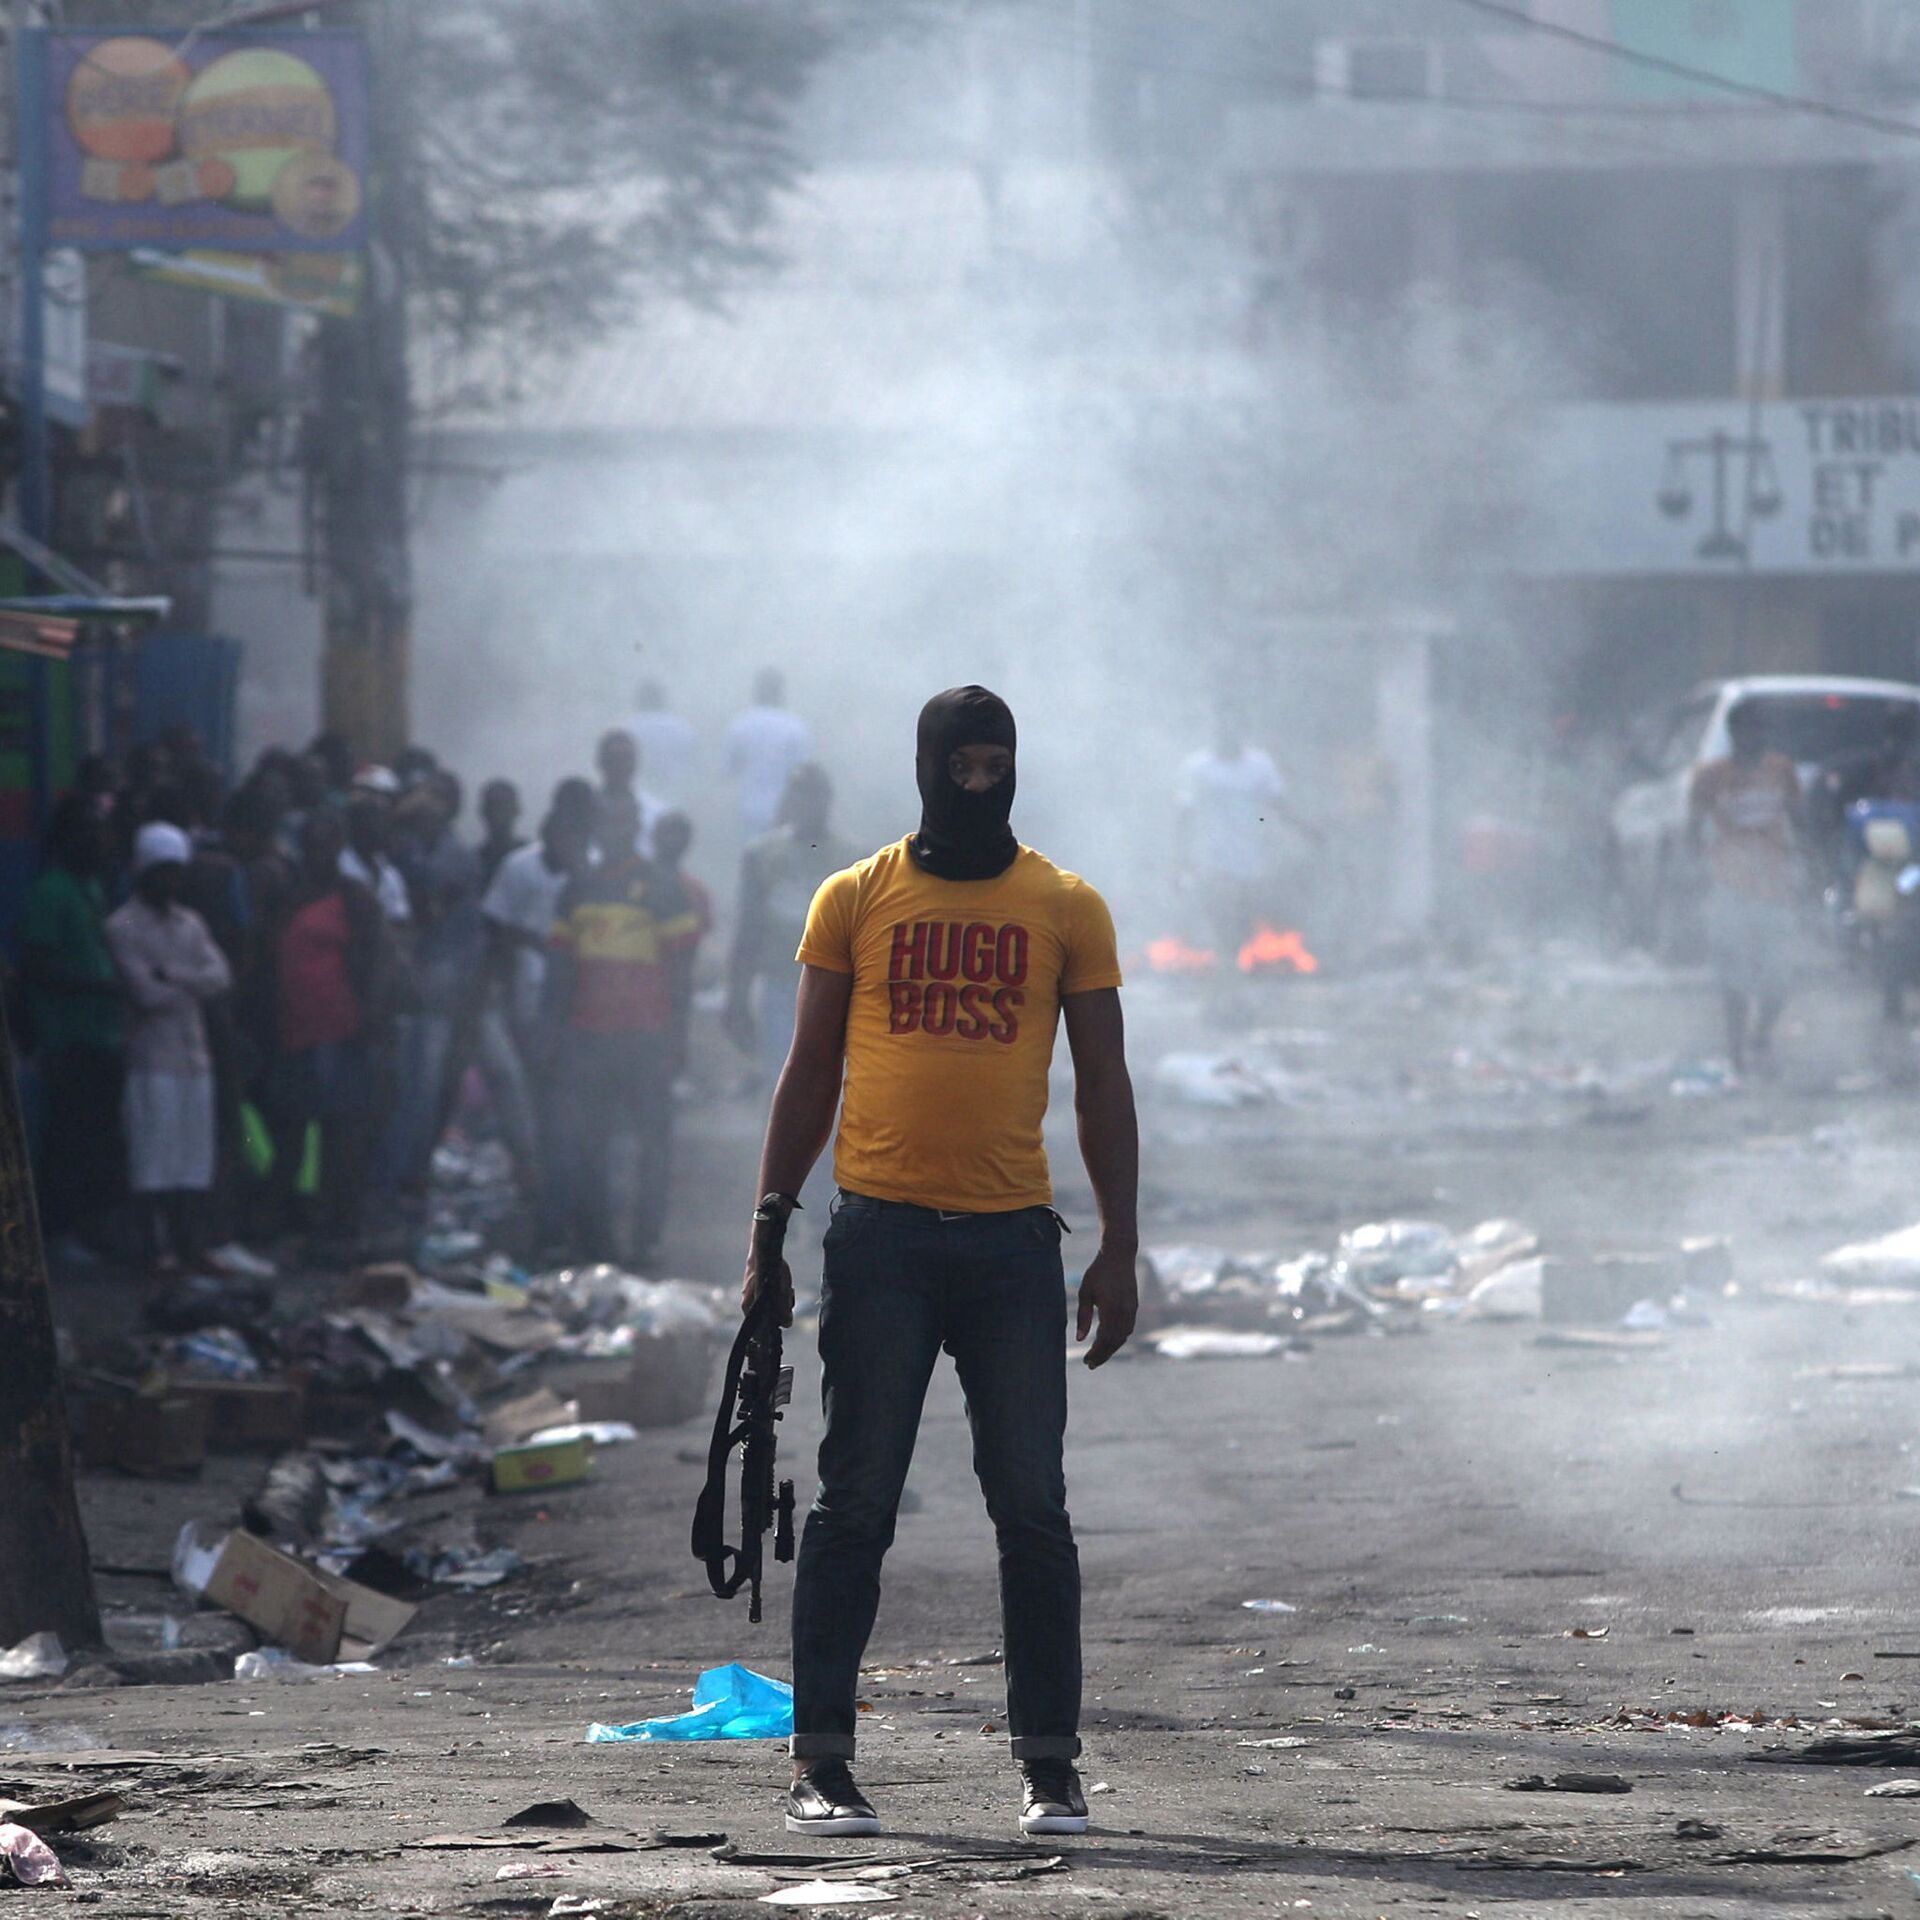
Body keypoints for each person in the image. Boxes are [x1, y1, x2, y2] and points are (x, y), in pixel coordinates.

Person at [743, 685, 1138, 1840]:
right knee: (855, 1502)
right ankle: (821, 1764)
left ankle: (1050, 1769)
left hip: (1015, 1242)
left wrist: (1120, 1243)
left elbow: (1102, 1081)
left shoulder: (1065, 905)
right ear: (926, 769)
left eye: (994, 767)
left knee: (1033, 1508)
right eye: (960, 768)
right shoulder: (855, 898)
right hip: (881, 1241)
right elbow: (810, 1068)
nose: (979, 787)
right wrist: (770, 1224)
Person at [545, 791, 702, 1262]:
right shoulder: (577, 889)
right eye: (606, 822)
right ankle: (599, 1241)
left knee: (651, 1143)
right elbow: (561, 970)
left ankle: (643, 1241)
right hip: (589, 1037)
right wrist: (552, 1033)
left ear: (635, 827)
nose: (614, 830)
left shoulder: (662, 886)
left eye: (623, 822)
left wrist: (677, 1036)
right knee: (591, 1142)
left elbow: (681, 968)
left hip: (647, 1036)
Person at [104, 823, 234, 1273]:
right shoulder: (122, 926)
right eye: (163, 872)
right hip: (151, 1059)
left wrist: (172, 975)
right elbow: (145, 994)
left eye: (176, 872)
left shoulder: (191, 923)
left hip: (194, 1057)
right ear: (143, 872)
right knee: (153, 1158)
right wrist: (188, 982)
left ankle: (190, 1245)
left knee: (192, 1158)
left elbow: (220, 976)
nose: (171, 882)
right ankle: (156, 1248)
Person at [270, 810, 387, 1249]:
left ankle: (340, 1219)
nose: (319, 852)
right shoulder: (291, 895)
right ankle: (300, 1215)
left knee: (342, 1129)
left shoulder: (353, 897)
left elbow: (376, 960)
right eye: (311, 843)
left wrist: (371, 1018)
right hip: (294, 1028)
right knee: (295, 1128)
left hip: (340, 1027)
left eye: (327, 842)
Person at [22, 795, 126, 1254]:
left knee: (95, 1139)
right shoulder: (53, 891)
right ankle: (59, 1232)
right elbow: (38, 967)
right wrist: (97, 987)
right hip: (68, 1035)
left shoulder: (92, 889)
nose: (101, 841)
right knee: (66, 1138)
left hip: (102, 1034)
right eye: (91, 831)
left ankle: (89, 1229)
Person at [1688, 699, 1806, 1078]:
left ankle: (1761, 1034)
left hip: (1776, 887)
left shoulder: (1782, 770)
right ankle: (1736, 1055)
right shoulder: (1709, 776)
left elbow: (1799, 822)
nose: (1756, 736)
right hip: (1729, 888)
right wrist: (1696, 874)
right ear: (1736, 732)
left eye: (1761, 728)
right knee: (1734, 981)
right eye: (1750, 728)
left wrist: (1809, 866)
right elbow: (1692, 830)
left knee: (1778, 982)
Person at [727, 763, 860, 1096]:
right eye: (800, 793)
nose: (808, 803)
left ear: (828, 800)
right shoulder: (762, 853)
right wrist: (737, 995)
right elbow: (748, 927)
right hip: (780, 982)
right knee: (783, 1078)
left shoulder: (854, 858)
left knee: (838, 1082)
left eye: (814, 794)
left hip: (837, 985)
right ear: (790, 799)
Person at [1177, 713, 1320, 957]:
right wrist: (1180, 856)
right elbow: (1185, 813)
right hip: (1210, 853)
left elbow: (1279, 804)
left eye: (1234, 730)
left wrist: (1306, 830)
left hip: (1250, 852)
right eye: (1223, 731)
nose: (1228, 737)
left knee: (1245, 909)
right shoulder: (1198, 767)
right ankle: (1223, 960)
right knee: (1220, 908)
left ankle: (1237, 958)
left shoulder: (1259, 765)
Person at [649, 809, 713, 1083]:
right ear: (654, 837)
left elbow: (694, 944)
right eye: (667, 834)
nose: (673, 841)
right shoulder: (634, 880)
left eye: (679, 835)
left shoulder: (695, 889)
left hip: (675, 983)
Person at [725, 668, 812, 840]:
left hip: (748, 809)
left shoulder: (740, 725)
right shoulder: (795, 726)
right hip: (785, 810)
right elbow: (803, 774)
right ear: (781, 691)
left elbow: (728, 770)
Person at [595, 727, 667, 860]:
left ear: (636, 763)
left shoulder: (656, 812)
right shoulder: (581, 810)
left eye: (626, 759)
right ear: (600, 762)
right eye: (614, 759)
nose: (621, 765)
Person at [629, 679, 697, 804]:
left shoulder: (629, 727)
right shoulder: (682, 728)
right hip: (675, 792)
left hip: (639, 795)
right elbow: (692, 762)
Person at [477, 778, 524, 890]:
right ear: (483, 812)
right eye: (492, 806)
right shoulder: (472, 863)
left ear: (516, 810)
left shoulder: (534, 861)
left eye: (502, 806)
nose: (497, 813)